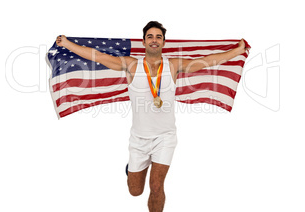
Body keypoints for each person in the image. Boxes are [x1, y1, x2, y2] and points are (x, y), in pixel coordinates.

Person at [56, 21, 247, 212]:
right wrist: (66, 43)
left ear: (163, 42)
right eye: (150, 37)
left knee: (156, 187)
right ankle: (132, 169)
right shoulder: (131, 65)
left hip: (165, 137)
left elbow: (209, 60)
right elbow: (98, 56)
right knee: (135, 191)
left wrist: (237, 51)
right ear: (144, 41)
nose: (154, 40)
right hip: (139, 139)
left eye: (158, 37)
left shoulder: (173, 65)